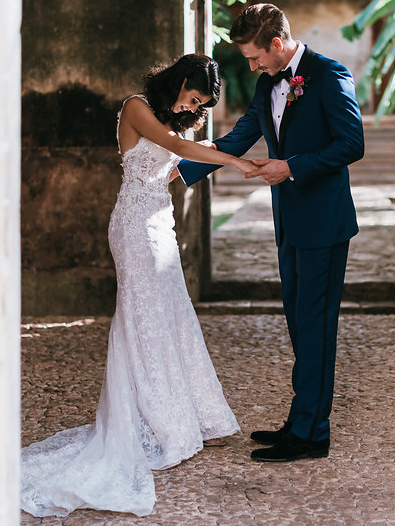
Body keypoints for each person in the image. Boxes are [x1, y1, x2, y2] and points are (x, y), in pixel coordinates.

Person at [20, 54, 256, 517]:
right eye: (193, 98)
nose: (192, 110)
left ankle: (190, 416)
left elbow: (172, 160)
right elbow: (180, 148)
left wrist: (195, 153)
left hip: (159, 220)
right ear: (181, 80)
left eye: (200, 106)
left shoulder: (171, 120)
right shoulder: (136, 108)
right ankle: (155, 421)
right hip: (133, 224)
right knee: (143, 318)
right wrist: (236, 162)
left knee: (171, 314)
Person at [178, 4, 365, 462]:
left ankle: (310, 434)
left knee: (315, 326)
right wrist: (175, 169)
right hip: (289, 222)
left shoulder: (328, 74)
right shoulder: (268, 82)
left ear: (276, 45)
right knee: (300, 325)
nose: (252, 67)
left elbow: (351, 142)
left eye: (254, 57)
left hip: (323, 222)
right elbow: (240, 137)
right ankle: (301, 421)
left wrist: (292, 167)